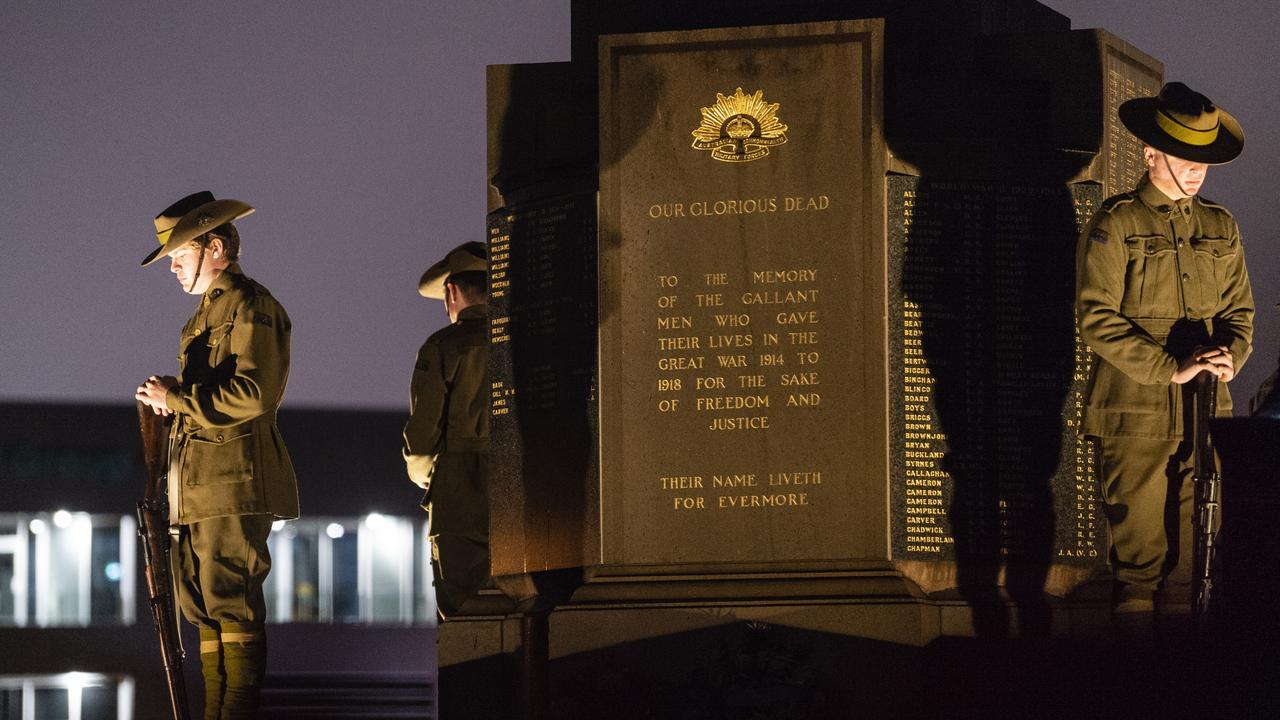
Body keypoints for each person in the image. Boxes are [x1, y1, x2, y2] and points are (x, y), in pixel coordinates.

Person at [1076, 83, 1253, 623]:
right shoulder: (1119, 221)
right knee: (1138, 562)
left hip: (1205, 413)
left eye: (1204, 158)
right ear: (1151, 154)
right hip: (1135, 413)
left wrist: (1230, 357)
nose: (1197, 169)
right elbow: (1096, 316)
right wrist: (1169, 367)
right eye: (1185, 156)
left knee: (1197, 559)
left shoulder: (1220, 226)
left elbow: (1240, 313)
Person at [135, 191, 298, 719]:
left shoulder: (252, 306)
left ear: (217, 249)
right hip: (196, 489)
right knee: (201, 610)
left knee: (230, 603)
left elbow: (255, 394)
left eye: (180, 255)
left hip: (233, 483)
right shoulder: (202, 319)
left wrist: (177, 398)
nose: (175, 268)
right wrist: (170, 402)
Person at [403, 241, 491, 618]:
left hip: (459, 493)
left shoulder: (442, 346)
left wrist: (424, 474)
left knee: (462, 607)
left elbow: (423, 433)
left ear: (452, 292)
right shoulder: (526, 339)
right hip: (525, 490)